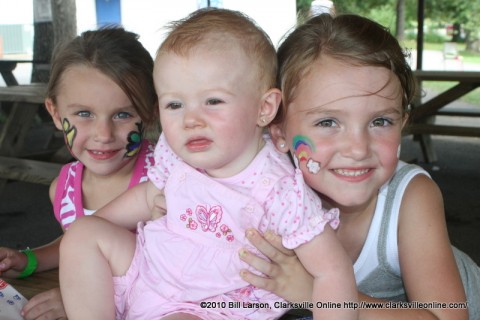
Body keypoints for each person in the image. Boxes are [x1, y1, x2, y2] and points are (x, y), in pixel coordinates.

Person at [58, 8, 358, 320]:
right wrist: (95, 227)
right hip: (149, 273)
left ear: (265, 107)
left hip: (212, 305)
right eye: (174, 104)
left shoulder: (281, 191)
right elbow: (148, 196)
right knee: (83, 233)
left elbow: (333, 272)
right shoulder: (175, 156)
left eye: (213, 101)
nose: (190, 120)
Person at [239, 13, 480, 320]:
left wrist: (317, 293)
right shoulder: (263, 189)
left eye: (380, 121)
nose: (358, 149)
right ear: (278, 133)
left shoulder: (408, 197)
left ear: (403, 123)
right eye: (328, 122)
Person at [0, 27, 158, 320]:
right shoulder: (64, 189)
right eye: (84, 114)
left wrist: (82, 299)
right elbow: (75, 245)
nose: (103, 134)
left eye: (123, 114)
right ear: (57, 114)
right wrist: (30, 260)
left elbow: (180, 267)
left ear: (150, 113)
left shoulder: (164, 179)